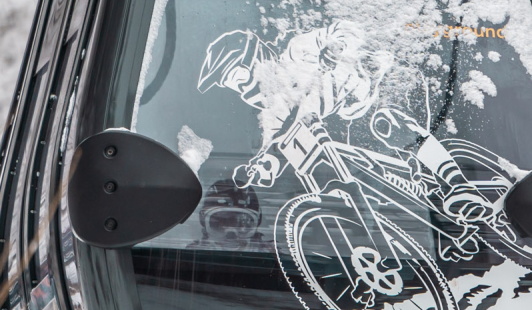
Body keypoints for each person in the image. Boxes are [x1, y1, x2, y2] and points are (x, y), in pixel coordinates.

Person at [197, 22, 494, 231]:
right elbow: (276, 148)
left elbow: (345, 30)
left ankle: (460, 186)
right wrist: (261, 169)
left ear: (258, 58)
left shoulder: (297, 51)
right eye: (235, 87)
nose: (244, 91)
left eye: (241, 78)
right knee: (350, 163)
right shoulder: (275, 113)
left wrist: (336, 45)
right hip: (351, 119)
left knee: (385, 123)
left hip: (381, 84)